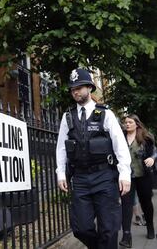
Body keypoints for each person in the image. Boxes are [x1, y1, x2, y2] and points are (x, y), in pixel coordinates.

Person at [56, 68, 131, 249]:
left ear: (90, 87)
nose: (75, 91)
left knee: (109, 229)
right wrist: (61, 174)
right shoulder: (68, 117)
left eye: (80, 87)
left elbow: (120, 145)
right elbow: (60, 148)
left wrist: (124, 174)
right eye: (73, 88)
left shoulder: (106, 114)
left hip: (105, 177)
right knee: (81, 228)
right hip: (80, 178)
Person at [119, 114, 156, 247]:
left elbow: (154, 152)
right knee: (126, 205)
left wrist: (152, 158)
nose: (127, 124)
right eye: (125, 123)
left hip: (143, 176)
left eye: (130, 122)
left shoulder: (146, 137)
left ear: (137, 124)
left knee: (146, 203)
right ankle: (126, 235)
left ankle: (150, 227)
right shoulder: (120, 137)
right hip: (126, 178)